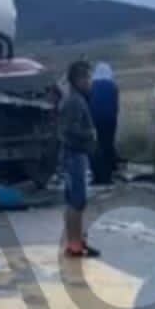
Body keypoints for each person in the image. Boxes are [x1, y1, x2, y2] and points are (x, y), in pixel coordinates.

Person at [59, 60, 101, 258]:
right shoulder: (75, 102)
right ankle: (75, 245)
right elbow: (70, 129)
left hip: (74, 155)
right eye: (86, 77)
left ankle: (76, 242)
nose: (89, 81)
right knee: (78, 201)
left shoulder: (76, 99)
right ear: (77, 79)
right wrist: (90, 134)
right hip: (75, 155)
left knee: (74, 202)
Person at [88, 61, 120, 184]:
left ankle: (97, 175)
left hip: (94, 120)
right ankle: (108, 173)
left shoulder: (92, 85)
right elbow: (116, 107)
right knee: (108, 144)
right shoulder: (113, 86)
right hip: (110, 120)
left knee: (97, 146)